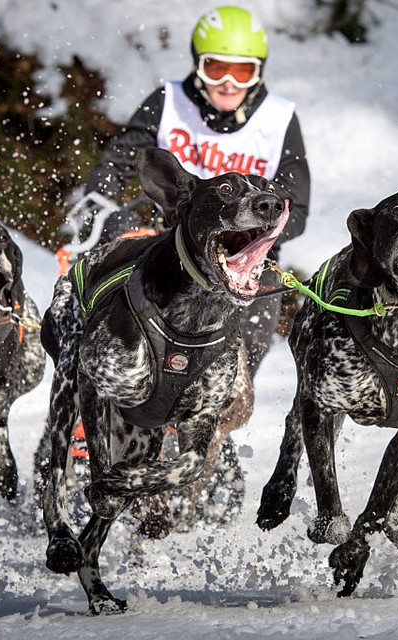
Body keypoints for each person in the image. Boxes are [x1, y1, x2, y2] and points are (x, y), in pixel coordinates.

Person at [84, 4, 311, 377]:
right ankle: (110, 381)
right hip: (169, 239)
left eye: (242, 71)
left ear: (258, 72)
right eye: (217, 68)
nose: (229, 83)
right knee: (119, 232)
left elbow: (296, 210)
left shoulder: (279, 119)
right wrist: (99, 210)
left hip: (243, 254)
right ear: (197, 65)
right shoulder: (168, 102)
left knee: (262, 301)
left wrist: (250, 241)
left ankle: (224, 406)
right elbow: (115, 165)